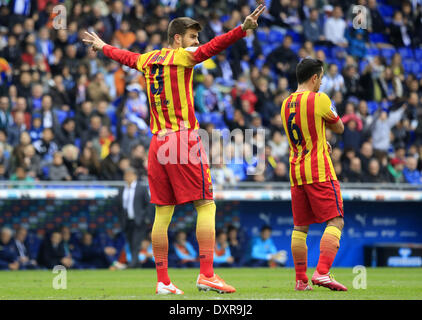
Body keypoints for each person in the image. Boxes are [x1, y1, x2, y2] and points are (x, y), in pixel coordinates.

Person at [83, 3, 266, 295]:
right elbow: (214, 47)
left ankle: (163, 281)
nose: (197, 42)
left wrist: (103, 46)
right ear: (177, 38)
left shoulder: (147, 59)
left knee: (162, 214)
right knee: (206, 204)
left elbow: (124, 56)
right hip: (182, 140)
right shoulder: (182, 56)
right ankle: (207, 274)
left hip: (157, 143)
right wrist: (242, 29)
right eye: (193, 36)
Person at [280, 58, 347, 291]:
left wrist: (320, 139)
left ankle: (301, 280)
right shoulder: (320, 99)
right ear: (315, 77)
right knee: (336, 220)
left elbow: (300, 135)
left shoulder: (285, 103)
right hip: (319, 170)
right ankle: (322, 272)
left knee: (300, 227)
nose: (321, 82)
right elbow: (339, 127)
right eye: (321, 77)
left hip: (296, 172)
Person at [117, 167, 153, 268]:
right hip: (127, 220)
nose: (127, 177)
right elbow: (120, 207)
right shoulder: (122, 189)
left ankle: (133, 263)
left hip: (139, 221)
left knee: (136, 242)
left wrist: (145, 218)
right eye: (125, 175)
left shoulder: (141, 188)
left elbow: (148, 204)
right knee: (130, 242)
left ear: (134, 176)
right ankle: (136, 263)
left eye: (129, 175)